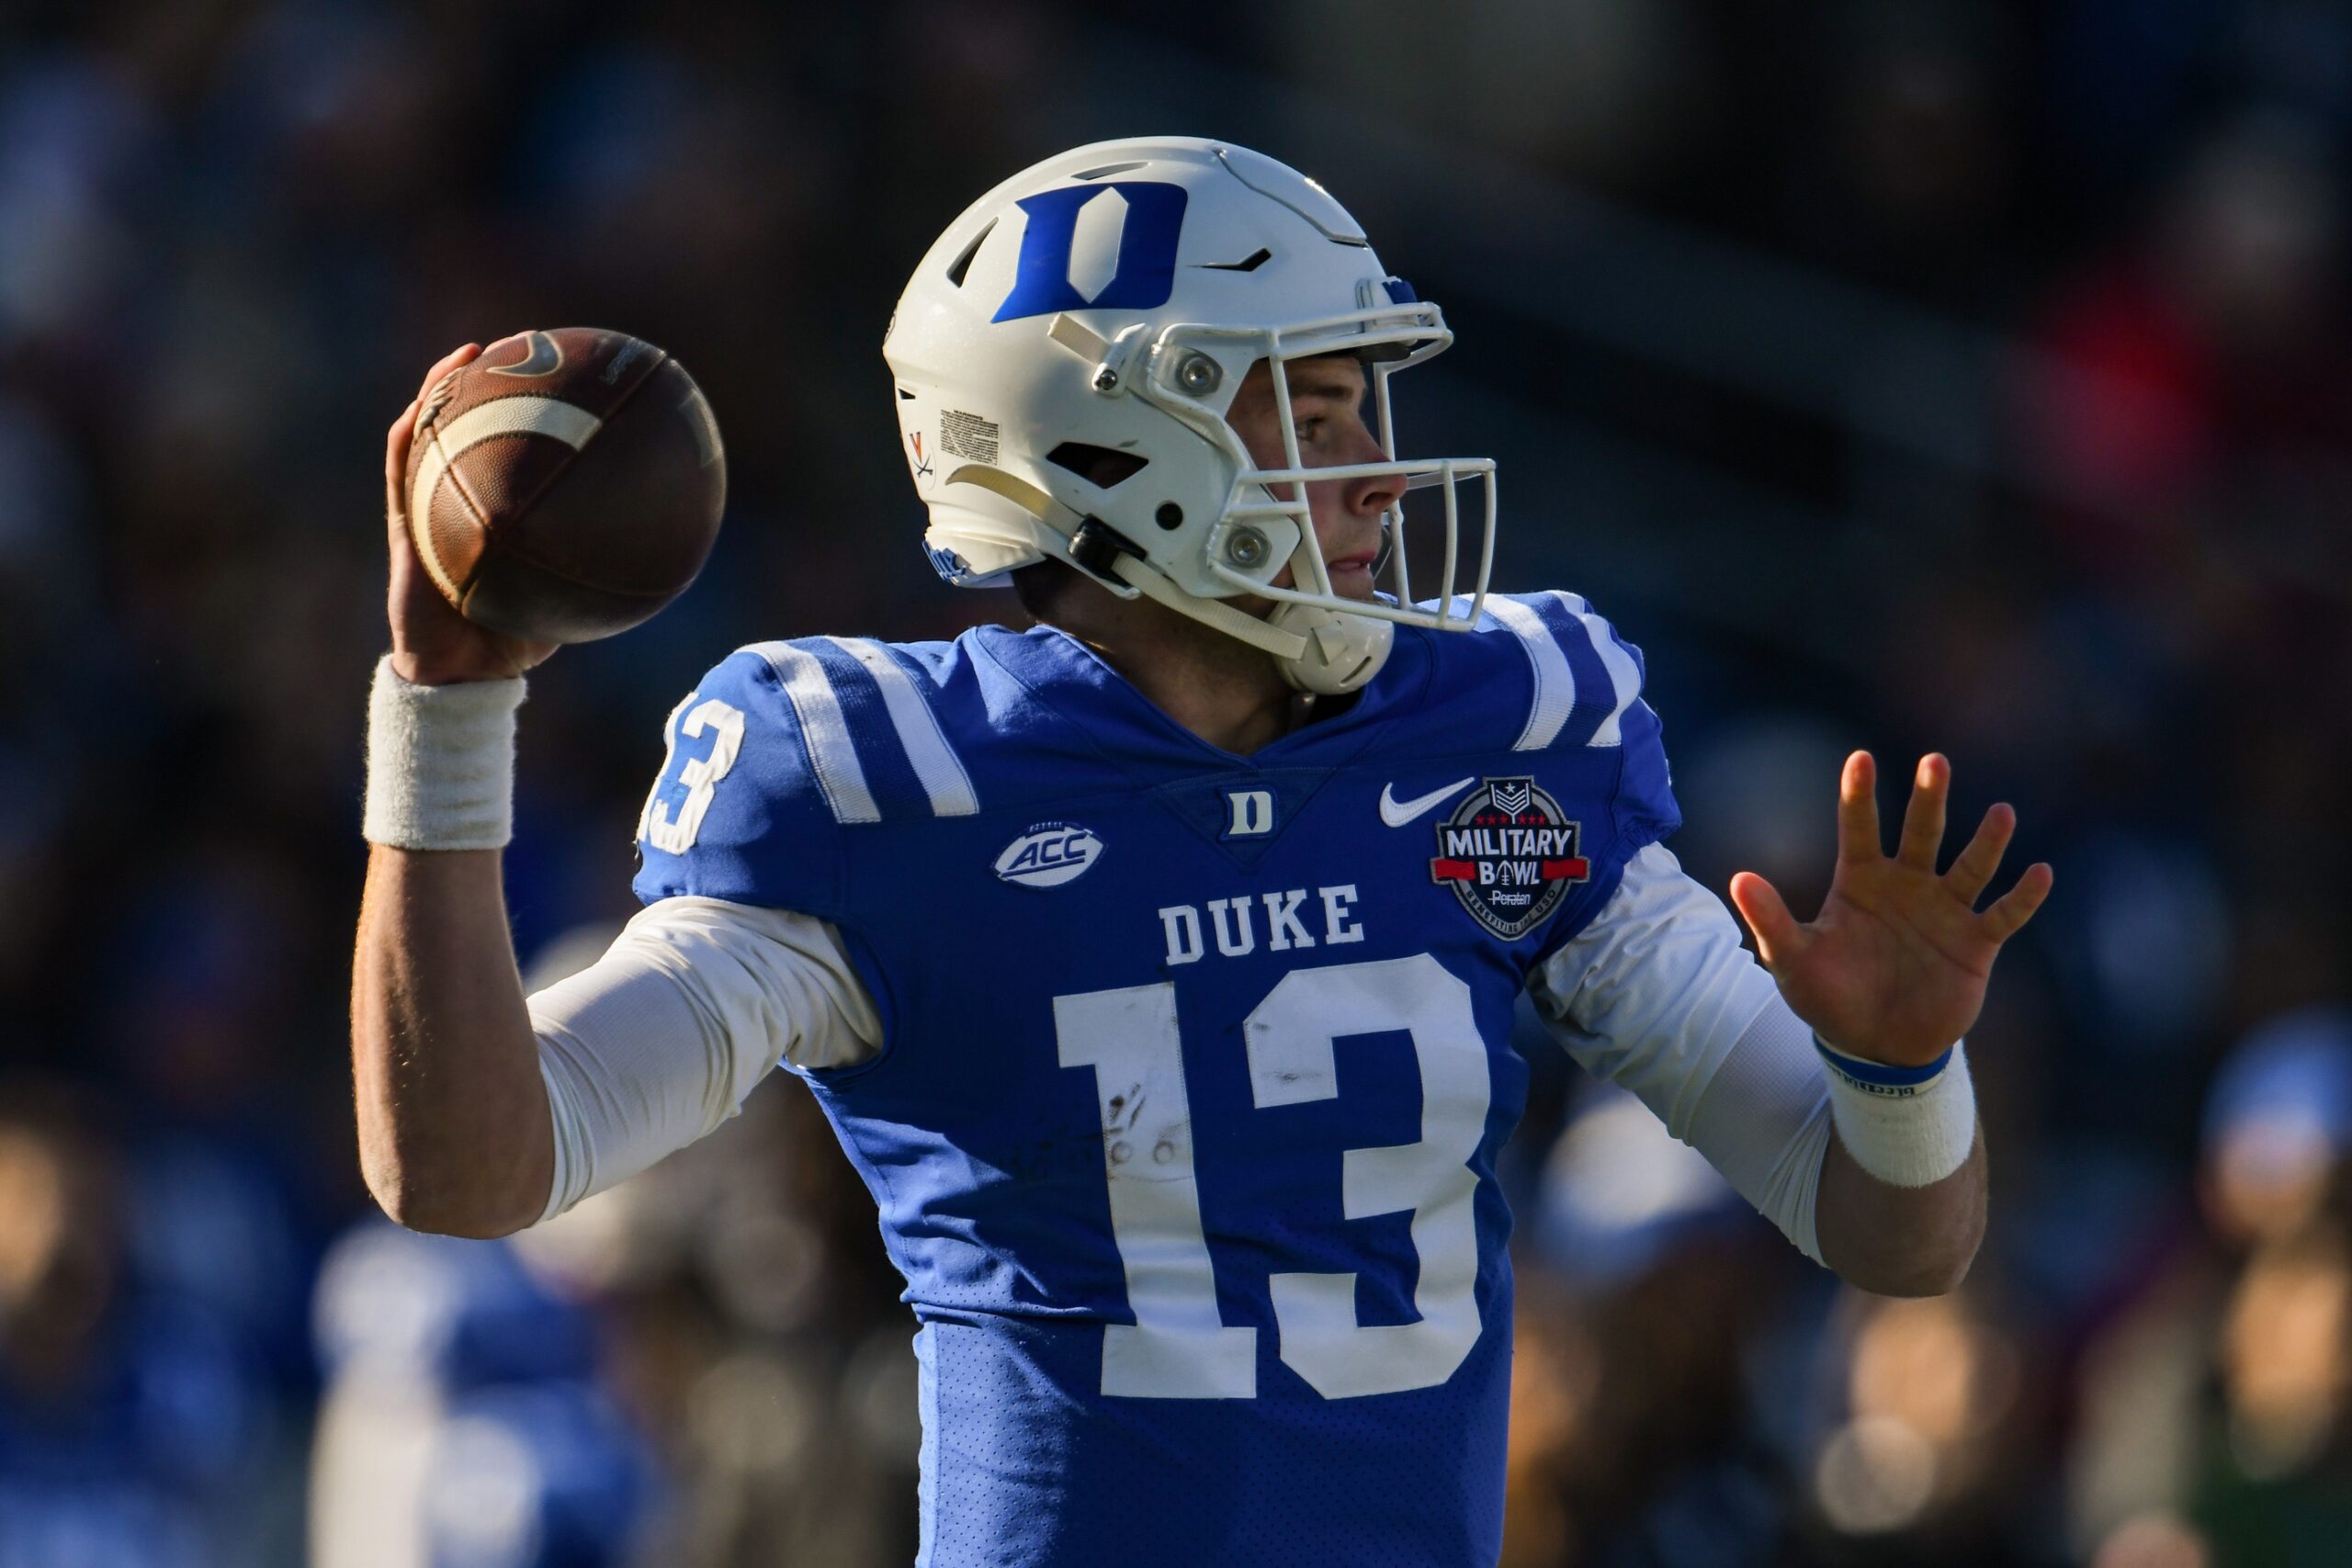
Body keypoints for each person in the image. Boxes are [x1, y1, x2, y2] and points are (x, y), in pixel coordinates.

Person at [351, 137, 2052, 1567]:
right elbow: (479, 1168)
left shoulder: (1500, 735)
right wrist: (447, 713)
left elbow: (1895, 1239)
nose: (1380, 474)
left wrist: (1898, 1071)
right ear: (1119, 443)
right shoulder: (882, 786)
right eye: (1318, 410)